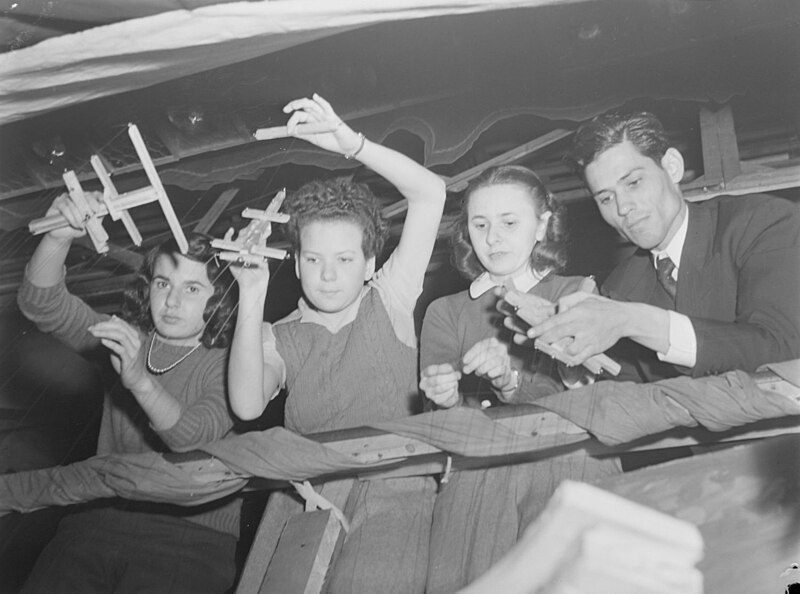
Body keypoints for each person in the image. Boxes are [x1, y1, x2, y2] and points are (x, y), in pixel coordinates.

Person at [228, 94, 446, 593]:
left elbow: (430, 194)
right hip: (305, 501)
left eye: (345, 260)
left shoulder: (388, 298)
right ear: (297, 259)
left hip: (394, 490)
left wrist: (354, 145)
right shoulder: (278, 334)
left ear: (370, 265)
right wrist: (252, 292)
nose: (327, 276)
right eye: (313, 259)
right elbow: (245, 405)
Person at [17, 196, 241, 594]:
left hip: (189, 540)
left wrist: (138, 380)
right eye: (162, 283)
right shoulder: (130, 340)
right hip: (95, 522)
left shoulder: (233, 363)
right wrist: (58, 237)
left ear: (219, 297)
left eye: (192, 287)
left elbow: (193, 439)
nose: (171, 301)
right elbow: (42, 303)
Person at [419, 165, 621, 592]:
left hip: (567, 463)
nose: (493, 238)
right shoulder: (444, 312)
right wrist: (442, 393)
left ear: (542, 225)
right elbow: (437, 418)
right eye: (480, 224)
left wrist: (510, 380)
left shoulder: (576, 293)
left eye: (509, 222)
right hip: (477, 477)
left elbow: (588, 395)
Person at [503, 111, 800, 383]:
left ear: (672, 167)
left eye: (633, 182)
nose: (623, 207)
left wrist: (632, 319)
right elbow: (626, 388)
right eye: (606, 198)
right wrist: (572, 350)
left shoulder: (761, 223)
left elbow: (781, 346)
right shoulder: (620, 286)